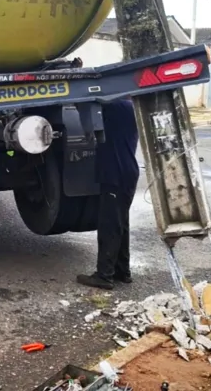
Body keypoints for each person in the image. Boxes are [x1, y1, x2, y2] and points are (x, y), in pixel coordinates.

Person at [77, 98, 140, 290]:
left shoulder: (117, 105)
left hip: (115, 174)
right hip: (126, 172)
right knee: (121, 224)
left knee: (109, 226)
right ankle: (122, 271)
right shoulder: (129, 106)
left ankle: (104, 276)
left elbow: (92, 98)